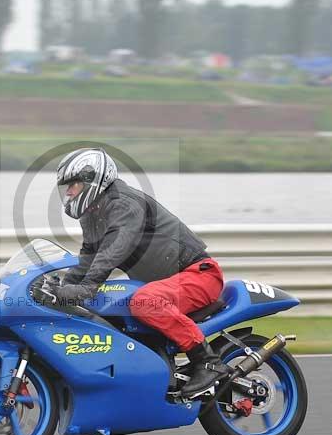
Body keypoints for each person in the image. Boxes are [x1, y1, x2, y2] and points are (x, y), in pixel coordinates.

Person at [47, 147, 232, 397]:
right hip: (166, 283)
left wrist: (86, 287)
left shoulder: (124, 203)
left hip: (198, 274)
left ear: (92, 180)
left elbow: (113, 251)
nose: (68, 192)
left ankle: (208, 362)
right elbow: (87, 260)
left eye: (73, 185)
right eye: (65, 187)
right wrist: (60, 289)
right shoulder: (92, 215)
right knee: (106, 308)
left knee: (143, 302)